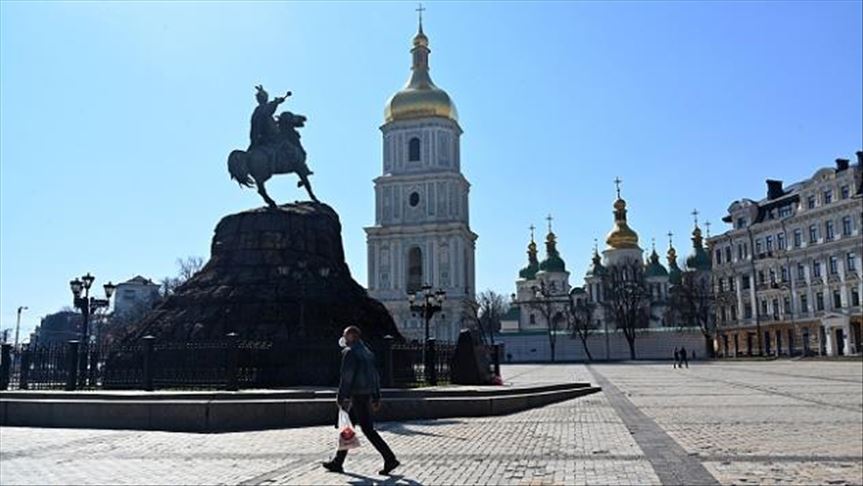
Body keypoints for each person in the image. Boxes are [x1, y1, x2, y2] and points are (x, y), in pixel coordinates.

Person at [322, 326, 400, 476]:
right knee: (348, 428)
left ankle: (390, 458)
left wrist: (341, 396)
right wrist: (376, 396)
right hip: (365, 394)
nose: (343, 338)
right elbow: (375, 376)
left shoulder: (350, 352)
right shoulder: (367, 352)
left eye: (345, 335)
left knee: (368, 430)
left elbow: (347, 376)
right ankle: (338, 461)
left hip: (358, 395)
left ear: (352, 336)